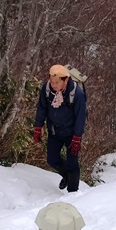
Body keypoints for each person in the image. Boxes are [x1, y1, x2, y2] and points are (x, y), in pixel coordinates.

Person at [33, 64, 87, 192]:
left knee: (72, 163)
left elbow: (81, 117)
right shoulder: (47, 89)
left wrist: (77, 137)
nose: (54, 85)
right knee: (52, 160)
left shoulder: (77, 94)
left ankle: (73, 192)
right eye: (52, 81)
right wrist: (38, 127)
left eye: (57, 82)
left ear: (66, 80)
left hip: (71, 133)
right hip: (54, 130)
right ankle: (67, 176)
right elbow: (42, 108)